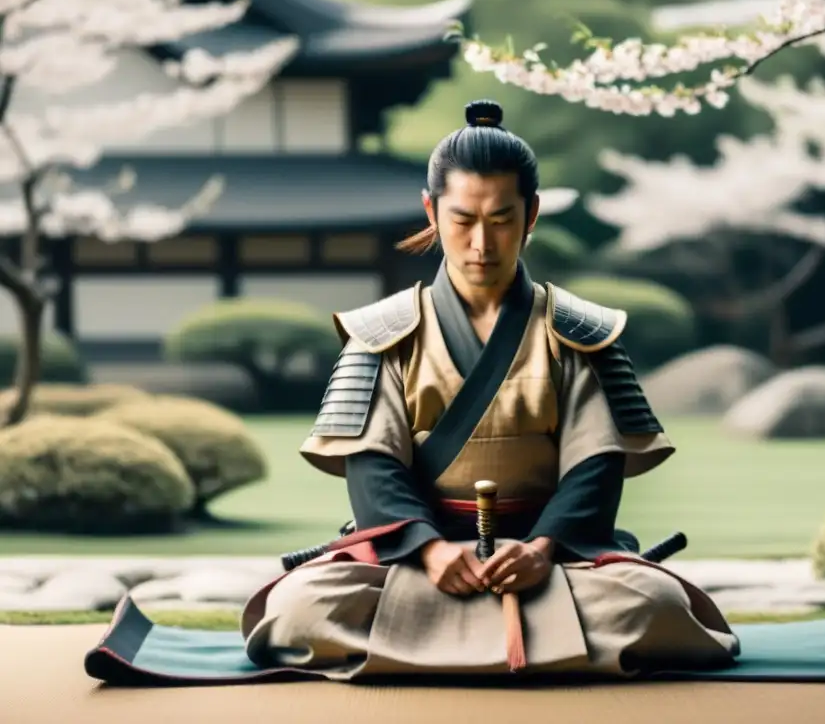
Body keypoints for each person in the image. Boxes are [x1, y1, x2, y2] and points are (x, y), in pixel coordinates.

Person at [240, 100, 741, 681]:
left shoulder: (574, 331)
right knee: (302, 608)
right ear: (430, 210)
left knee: (650, 606)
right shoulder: (383, 332)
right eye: (463, 220)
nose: (482, 243)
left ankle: (415, 644)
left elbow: (596, 465)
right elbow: (371, 465)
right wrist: (431, 551)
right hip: (416, 560)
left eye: (502, 220)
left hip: (548, 560)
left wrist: (540, 550)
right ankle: (550, 645)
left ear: (530, 215)